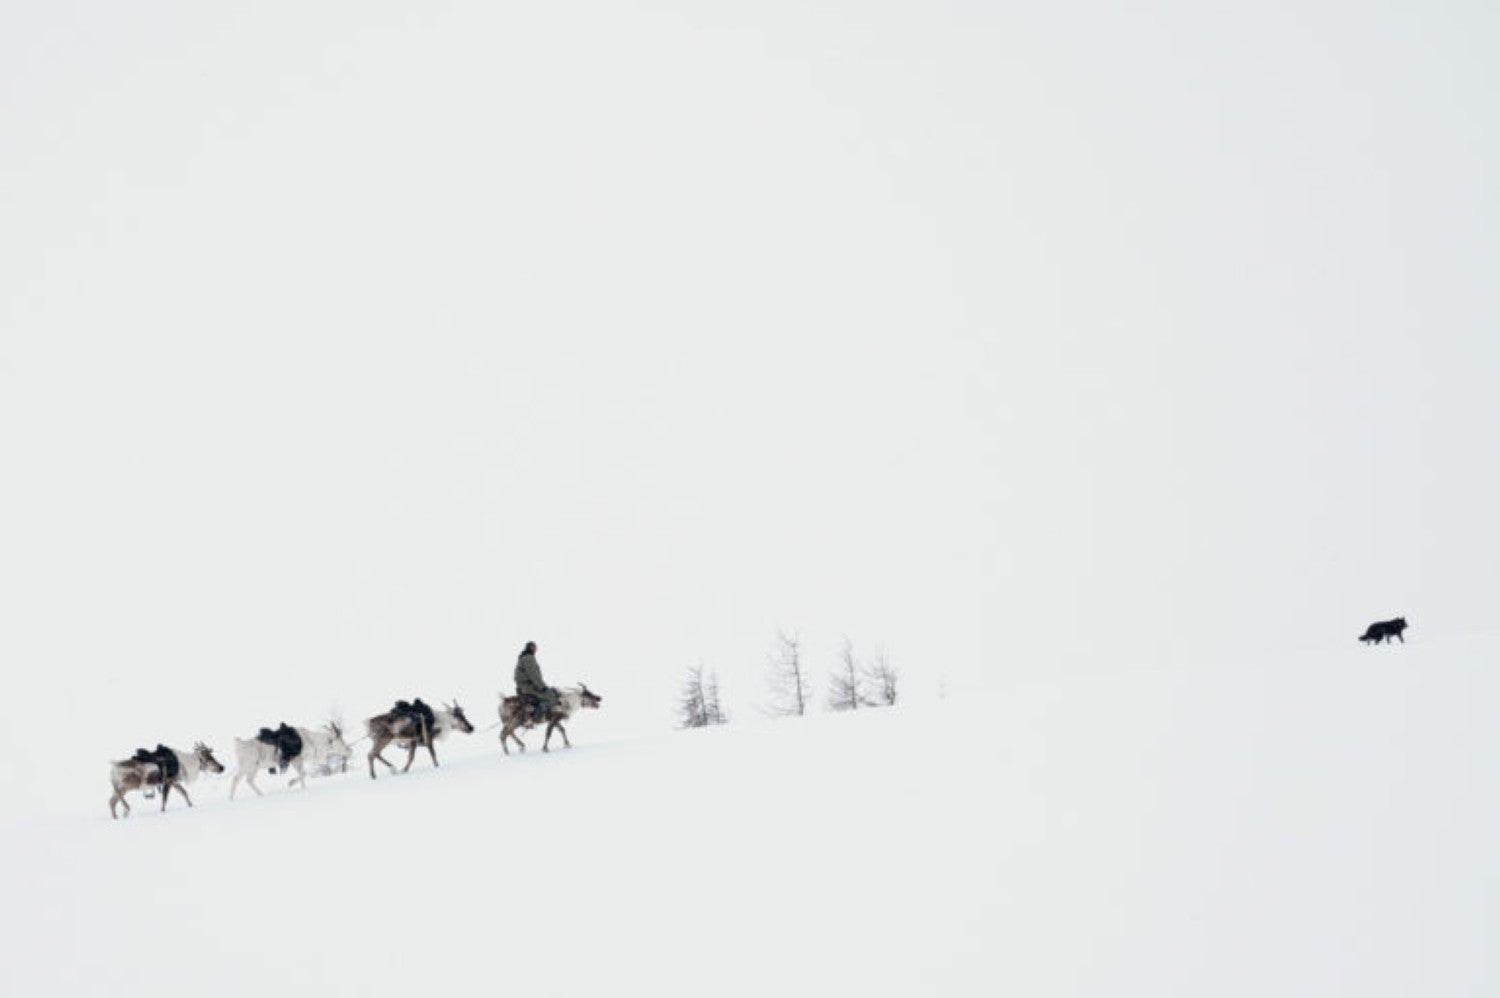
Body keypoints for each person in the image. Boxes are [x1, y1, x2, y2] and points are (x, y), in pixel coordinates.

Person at [514, 640, 559, 723]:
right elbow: (534, 675)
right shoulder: (528, 658)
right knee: (551, 697)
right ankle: (536, 716)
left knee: (552, 691)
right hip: (528, 687)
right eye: (533, 647)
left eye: (535, 647)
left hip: (526, 685)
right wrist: (542, 687)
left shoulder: (524, 658)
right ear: (529, 648)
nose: (535, 649)